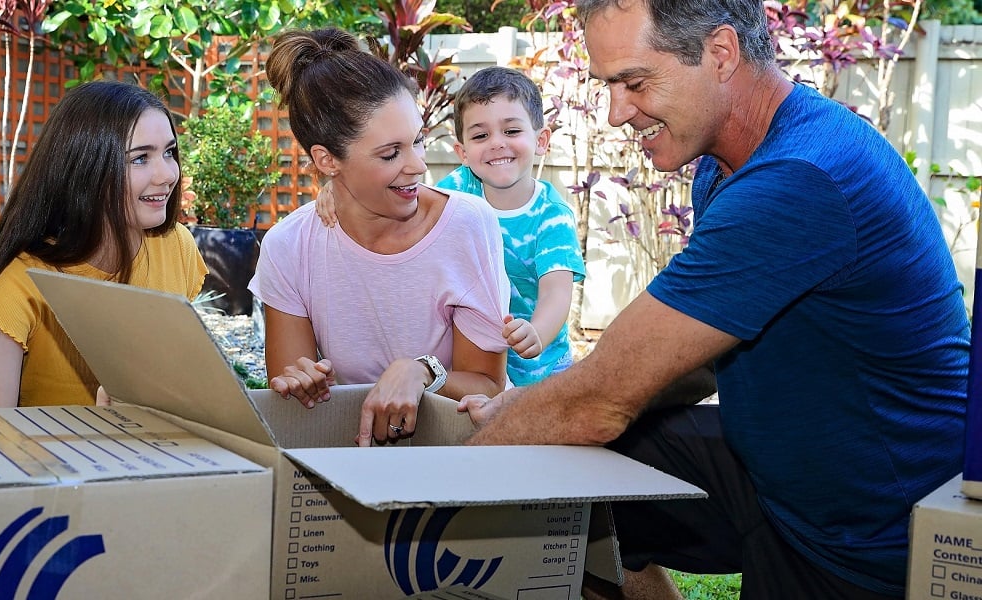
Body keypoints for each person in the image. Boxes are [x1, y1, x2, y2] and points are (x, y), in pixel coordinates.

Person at [463, 1, 969, 599]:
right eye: (608, 86)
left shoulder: (799, 179)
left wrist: (464, 459)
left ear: (721, 52)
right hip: (774, 463)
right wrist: (547, 418)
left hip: (863, 527)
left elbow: (599, 399)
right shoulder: (726, 165)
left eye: (634, 82)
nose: (616, 112)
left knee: (557, 429)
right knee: (568, 471)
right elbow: (695, 356)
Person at [249, 27, 511, 447]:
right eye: (391, 154)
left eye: (418, 142)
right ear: (327, 159)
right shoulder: (289, 247)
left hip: (465, 456)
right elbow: (293, 404)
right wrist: (300, 384)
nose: (418, 167)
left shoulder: (467, 224)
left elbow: (489, 385)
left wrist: (421, 371)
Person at [316, 66, 586, 387]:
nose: (497, 143)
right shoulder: (458, 190)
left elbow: (557, 290)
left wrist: (537, 332)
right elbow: (402, 200)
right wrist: (340, 188)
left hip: (542, 365)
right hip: (473, 361)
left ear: (541, 140)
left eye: (511, 131)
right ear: (463, 152)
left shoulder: (551, 215)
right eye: (481, 135)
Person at [0, 81, 208, 410]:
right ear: (86, 169)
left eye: (169, 152)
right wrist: (99, 426)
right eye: (140, 159)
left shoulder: (177, 247)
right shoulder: (20, 282)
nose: (167, 175)